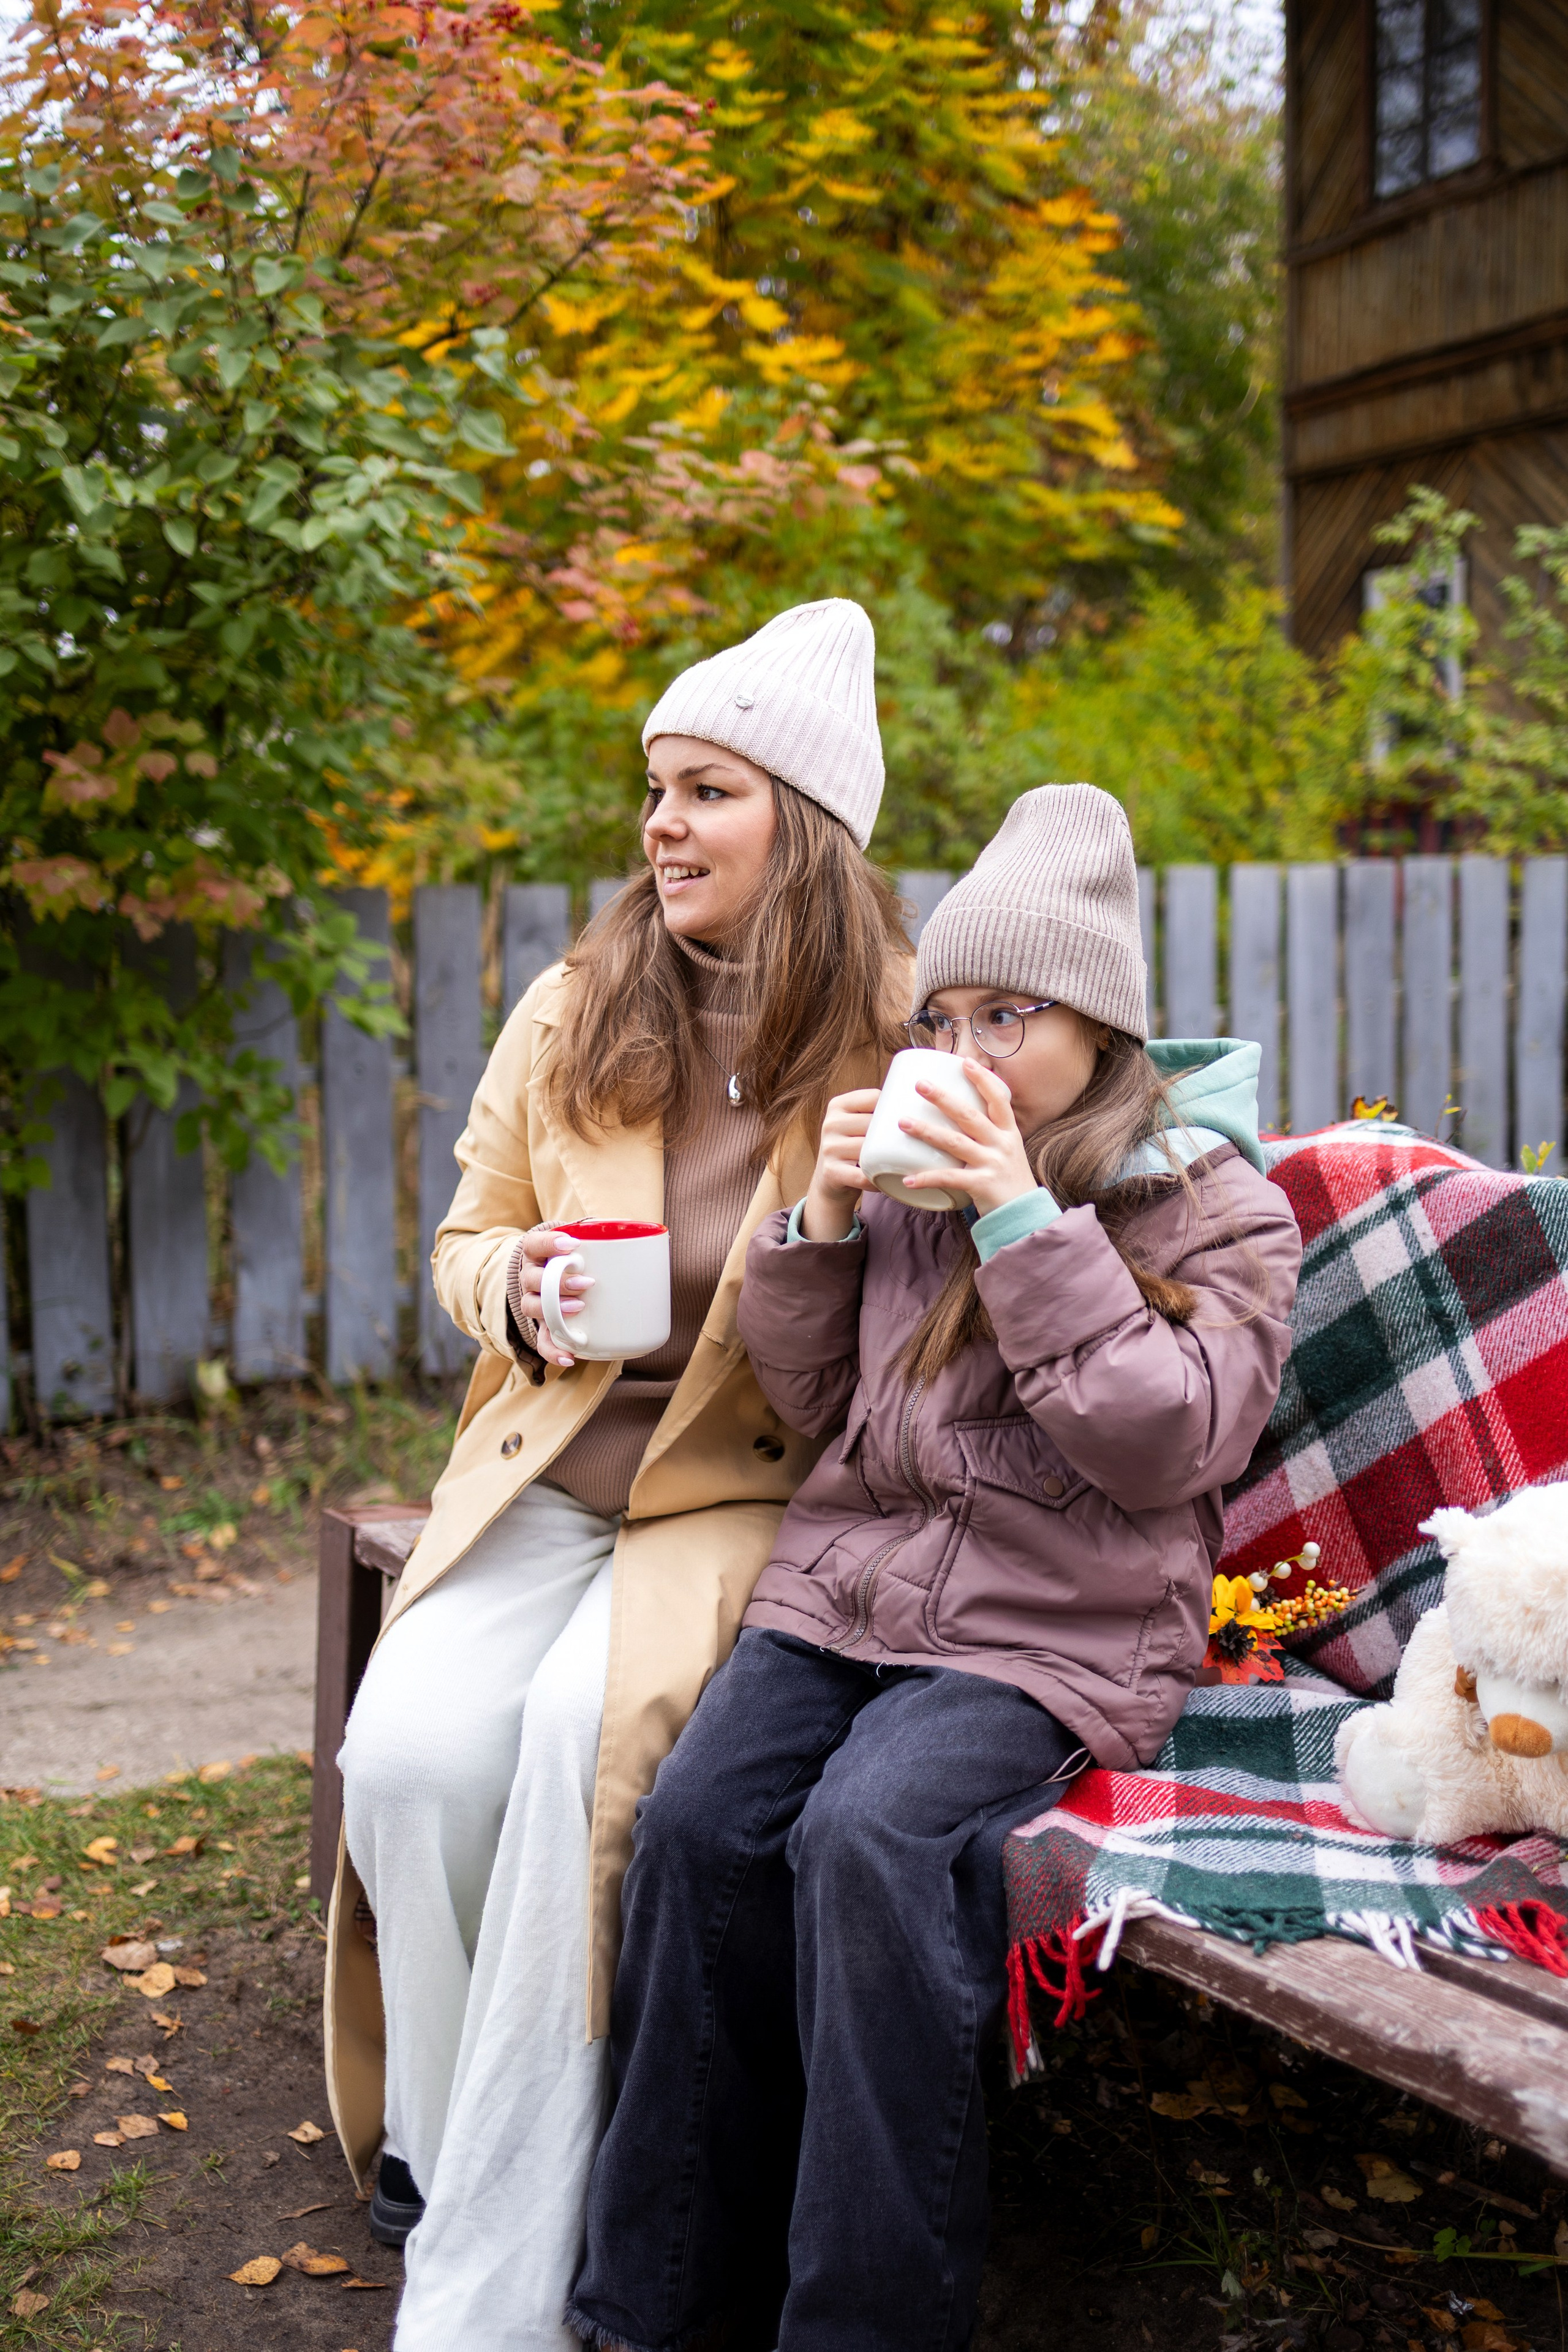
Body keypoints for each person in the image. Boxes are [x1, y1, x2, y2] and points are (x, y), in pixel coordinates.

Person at [568, 783, 1303, 2352]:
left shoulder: (1213, 1206)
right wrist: (823, 1220)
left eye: (1002, 1018)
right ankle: (658, 2307)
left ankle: (862, 2323)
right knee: (695, 1826)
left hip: (1056, 1629)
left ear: (1097, 1029)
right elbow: (828, 1414)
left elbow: (1163, 1447)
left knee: (868, 1836)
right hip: (849, 1589)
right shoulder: (909, 1191)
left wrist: (1021, 1218)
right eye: (939, 1019)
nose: (958, 1052)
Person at [329, 599, 911, 2351]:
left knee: (582, 1762)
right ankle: (442, 2139)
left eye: (706, 790)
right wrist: (508, 1287)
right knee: (411, 1756)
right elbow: (464, 1237)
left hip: (735, 1494)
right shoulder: (580, 1004)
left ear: (798, 824)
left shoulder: (892, 1034)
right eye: (654, 789)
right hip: (543, 1467)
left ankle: (523, 2242)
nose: (659, 824)